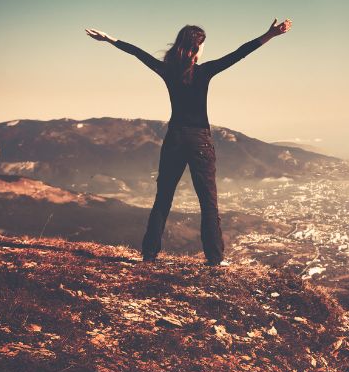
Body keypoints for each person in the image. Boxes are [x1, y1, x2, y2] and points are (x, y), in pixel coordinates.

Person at [85, 19, 292, 266]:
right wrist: (270, 34)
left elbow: (137, 53)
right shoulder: (204, 72)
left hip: (174, 139)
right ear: (196, 48)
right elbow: (240, 53)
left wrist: (108, 39)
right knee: (208, 202)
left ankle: (149, 256)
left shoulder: (167, 70)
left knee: (163, 198)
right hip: (199, 141)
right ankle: (215, 260)